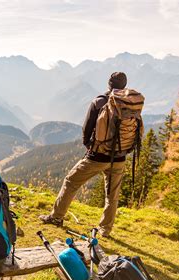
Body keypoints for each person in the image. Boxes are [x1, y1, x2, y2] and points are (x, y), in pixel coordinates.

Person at [39, 72, 130, 237]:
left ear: (109, 84)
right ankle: (105, 230)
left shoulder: (100, 101)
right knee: (112, 195)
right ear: (124, 86)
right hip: (120, 157)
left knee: (71, 181)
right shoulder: (130, 103)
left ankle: (56, 217)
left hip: (98, 156)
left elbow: (87, 128)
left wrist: (89, 145)